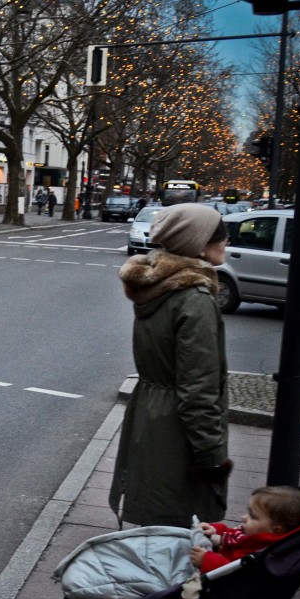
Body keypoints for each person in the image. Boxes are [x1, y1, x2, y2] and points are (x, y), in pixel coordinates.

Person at [110, 203, 232, 528]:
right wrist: (211, 456)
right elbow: (198, 389)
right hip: (178, 430)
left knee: (155, 520)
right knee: (181, 526)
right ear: (200, 244)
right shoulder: (194, 299)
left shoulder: (155, 288)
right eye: (222, 235)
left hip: (150, 414)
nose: (227, 242)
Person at [190, 486, 300, 572]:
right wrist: (215, 530)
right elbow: (236, 535)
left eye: (253, 516)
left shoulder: (259, 550)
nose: (244, 517)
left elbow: (234, 572)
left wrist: (206, 560)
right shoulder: (256, 535)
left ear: (276, 530)